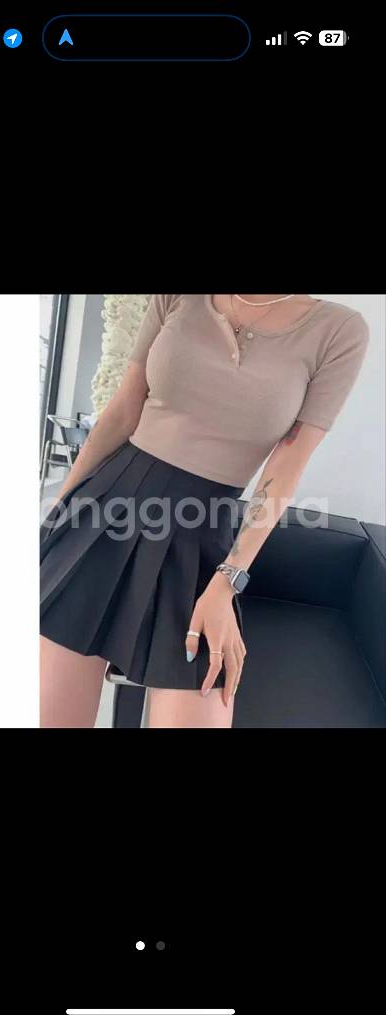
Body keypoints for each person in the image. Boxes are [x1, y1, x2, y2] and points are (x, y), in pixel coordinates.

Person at [40, 294, 369, 728]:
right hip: (106, 510)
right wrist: (58, 514)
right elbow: (122, 412)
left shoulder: (338, 331)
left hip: (201, 537)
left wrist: (228, 580)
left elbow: (288, 463)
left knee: (205, 685)